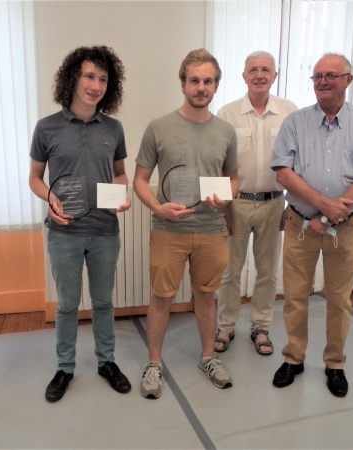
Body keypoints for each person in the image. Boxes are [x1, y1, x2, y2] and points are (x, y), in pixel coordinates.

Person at [271, 53, 353, 397]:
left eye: (332, 75)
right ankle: (293, 357)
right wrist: (322, 208)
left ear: (348, 80)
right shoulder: (295, 122)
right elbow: (283, 172)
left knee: (339, 299)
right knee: (295, 296)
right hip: (299, 225)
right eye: (318, 76)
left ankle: (335, 363)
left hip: (344, 228)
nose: (323, 81)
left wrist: (330, 216)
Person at [133, 49, 239, 399]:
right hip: (169, 231)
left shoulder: (226, 131)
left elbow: (234, 180)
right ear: (183, 83)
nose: (201, 87)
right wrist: (158, 209)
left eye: (208, 81)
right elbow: (139, 180)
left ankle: (208, 357)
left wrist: (227, 196)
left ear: (216, 86)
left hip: (211, 230)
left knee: (206, 296)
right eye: (194, 80)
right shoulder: (158, 127)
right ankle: (154, 363)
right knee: (161, 297)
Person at [29, 46, 132, 403]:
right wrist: (50, 199)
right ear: (73, 78)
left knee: (103, 302)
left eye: (103, 79)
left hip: (105, 231)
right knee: (68, 305)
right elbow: (34, 178)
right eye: (89, 76)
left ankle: (107, 362)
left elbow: (120, 173)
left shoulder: (114, 128)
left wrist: (122, 194)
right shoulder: (47, 128)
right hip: (64, 233)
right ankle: (65, 368)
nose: (96, 85)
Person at [215, 51, 297, 356]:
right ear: (244, 76)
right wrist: (224, 208)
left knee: (267, 271)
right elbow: (219, 165)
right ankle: (225, 326)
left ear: (275, 75)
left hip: (274, 205)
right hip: (236, 204)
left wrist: (292, 205)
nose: (259, 74)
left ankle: (261, 326)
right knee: (229, 272)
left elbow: (297, 163)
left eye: (266, 69)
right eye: (253, 70)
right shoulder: (227, 114)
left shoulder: (290, 112)